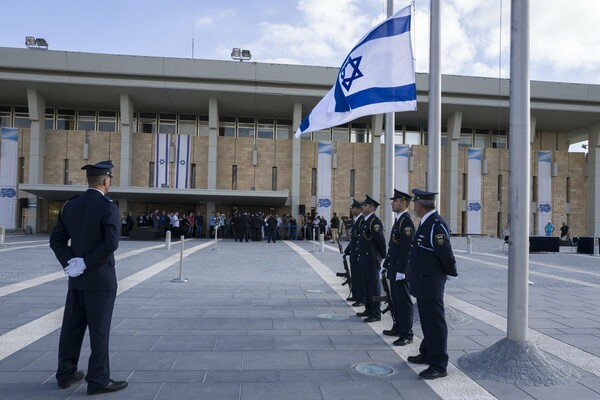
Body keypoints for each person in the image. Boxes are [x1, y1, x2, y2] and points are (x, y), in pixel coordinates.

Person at [49, 161, 128, 395]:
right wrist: (86, 262)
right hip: (101, 280)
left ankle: (65, 373)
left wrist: (71, 263)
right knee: (99, 330)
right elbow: (111, 243)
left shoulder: (70, 206)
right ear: (106, 181)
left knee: (71, 328)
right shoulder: (108, 206)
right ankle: (98, 379)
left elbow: (56, 241)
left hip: (77, 279)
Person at [407, 188, 458, 380]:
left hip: (431, 281)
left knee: (435, 322)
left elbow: (445, 251)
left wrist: (451, 272)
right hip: (423, 280)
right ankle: (427, 352)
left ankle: (439, 364)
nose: (414, 206)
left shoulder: (436, 224)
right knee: (427, 320)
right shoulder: (426, 222)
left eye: (415, 204)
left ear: (420, 205)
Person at [383, 189, 415, 347]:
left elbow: (406, 249)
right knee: (396, 301)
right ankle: (397, 326)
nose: (392, 203)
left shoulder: (406, 222)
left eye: (395, 200)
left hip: (401, 270)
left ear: (404, 203)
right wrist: (386, 264)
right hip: (394, 268)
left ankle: (407, 333)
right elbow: (394, 246)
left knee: (403, 302)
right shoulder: (398, 221)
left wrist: (402, 270)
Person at [354, 195, 386, 323]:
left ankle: (376, 312)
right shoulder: (366, 221)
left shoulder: (374, 222)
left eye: (365, 205)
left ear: (372, 207)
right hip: (364, 259)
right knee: (366, 285)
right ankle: (369, 308)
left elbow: (381, 242)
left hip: (372, 259)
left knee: (373, 287)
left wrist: (381, 257)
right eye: (363, 205)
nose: (363, 207)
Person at [344, 199, 365, 306]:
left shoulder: (362, 220)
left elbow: (360, 240)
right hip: (354, 254)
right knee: (355, 277)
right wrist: (347, 251)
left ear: (358, 209)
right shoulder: (357, 220)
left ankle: (361, 298)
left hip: (358, 254)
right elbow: (353, 240)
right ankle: (356, 295)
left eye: (353, 208)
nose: (352, 210)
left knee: (359, 278)